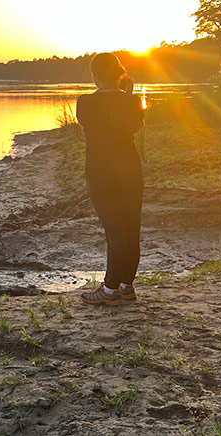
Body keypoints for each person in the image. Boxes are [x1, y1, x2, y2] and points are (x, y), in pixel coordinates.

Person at [76, 52, 145, 305]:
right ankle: (127, 285)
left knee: (114, 230)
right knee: (130, 228)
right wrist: (127, 95)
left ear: (95, 76)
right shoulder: (133, 100)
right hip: (130, 168)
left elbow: (89, 123)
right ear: (120, 74)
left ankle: (110, 288)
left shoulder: (85, 102)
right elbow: (135, 126)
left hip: (101, 171)